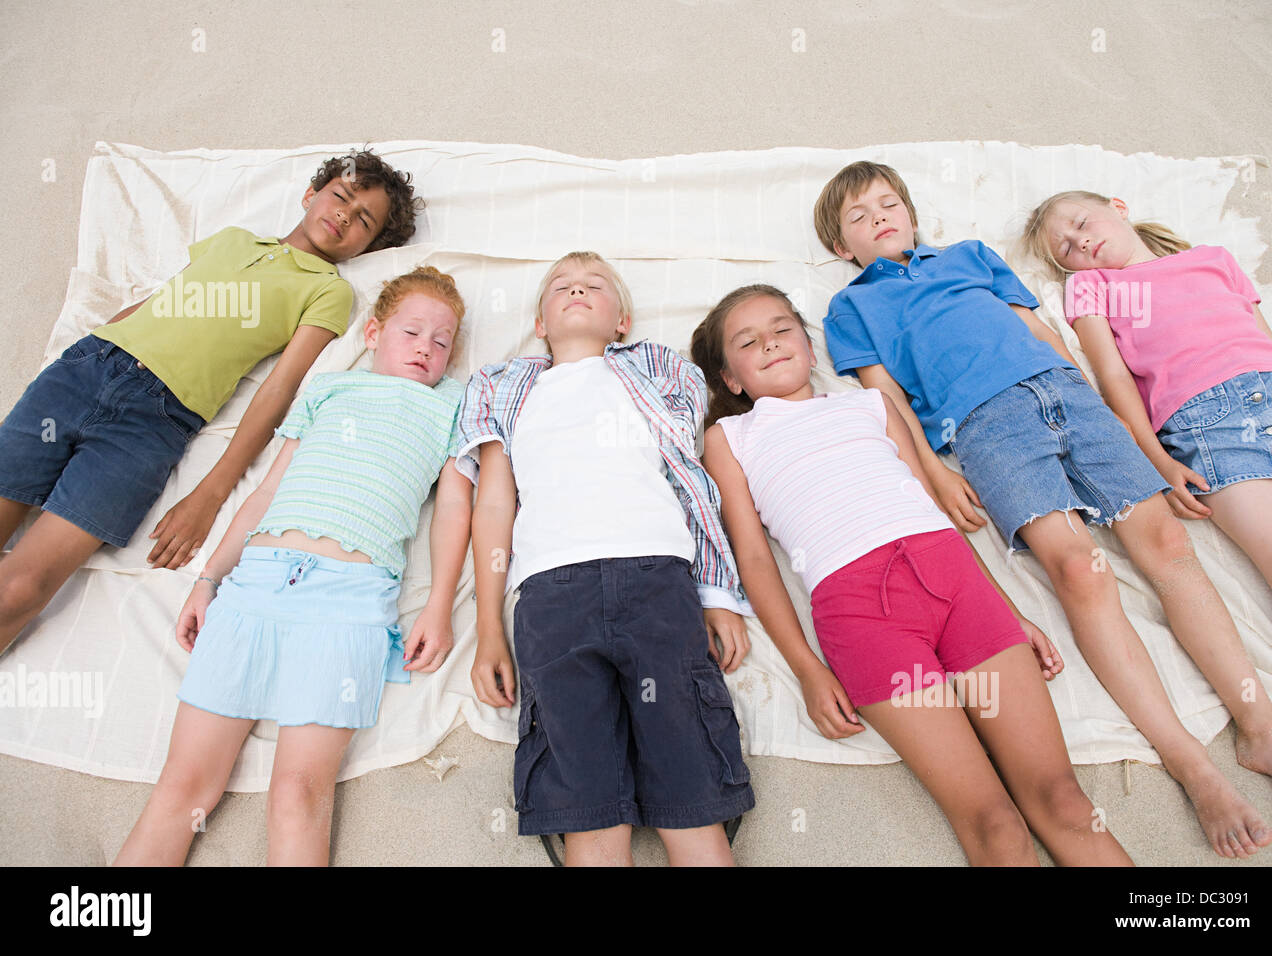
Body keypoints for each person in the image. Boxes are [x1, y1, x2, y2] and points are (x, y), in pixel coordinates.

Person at [811, 160, 1272, 858]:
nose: (880, 217)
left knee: (1168, 549)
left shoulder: (970, 257)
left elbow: (1042, 332)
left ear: (913, 215)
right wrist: (934, 477)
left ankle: (1263, 731)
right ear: (841, 247)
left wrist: (1103, 409)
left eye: (890, 203)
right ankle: (1191, 765)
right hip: (985, 425)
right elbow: (884, 399)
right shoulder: (851, 308)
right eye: (860, 216)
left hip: (1066, 392)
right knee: (1081, 572)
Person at [691, 283, 1132, 865]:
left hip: (955, 583)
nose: (771, 343)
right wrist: (808, 670)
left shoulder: (870, 403)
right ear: (732, 380)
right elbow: (752, 558)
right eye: (748, 342)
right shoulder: (730, 437)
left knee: (1064, 801)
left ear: (807, 340)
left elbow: (932, 505)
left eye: (781, 328)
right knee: (996, 825)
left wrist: (1010, 611)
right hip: (862, 615)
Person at [113, 266, 470, 866]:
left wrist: (439, 606)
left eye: (442, 341)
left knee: (299, 793)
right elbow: (263, 493)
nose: (426, 349)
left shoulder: (452, 403)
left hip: (350, 601)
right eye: (412, 332)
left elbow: (455, 506)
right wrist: (207, 579)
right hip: (257, 583)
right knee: (183, 789)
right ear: (373, 333)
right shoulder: (328, 390)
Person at [0, 148, 422, 654]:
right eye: (341, 197)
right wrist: (90, 344)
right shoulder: (233, 239)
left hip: (151, 424)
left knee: (20, 589)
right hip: (86, 370)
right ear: (311, 195)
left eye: (363, 221)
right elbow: (166, 297)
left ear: (367, 247)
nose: (344, 215)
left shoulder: (328, 291)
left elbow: (280, 388)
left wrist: (210, 493)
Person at [459, 251, 754, 866]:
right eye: (561, 287)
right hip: (551, 590)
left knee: (689, 775)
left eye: (595, 286)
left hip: (657, 576)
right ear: (539, 323)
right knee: (584, 798)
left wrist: (717, 594)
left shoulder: (655, 368)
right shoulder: (502, 383)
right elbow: (493, 502)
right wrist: (489, 627)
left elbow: (689, 478)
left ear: (621, 320)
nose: (577, 290)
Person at [1023, 189, 1272, 662]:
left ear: (1118, 206)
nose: (1080, 241)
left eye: (1082, 223)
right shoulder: (1095, 287)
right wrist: (1158, 460)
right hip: (1210, 424)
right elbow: (1113, 377)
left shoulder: (1213, 258)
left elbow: (1271, 343)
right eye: (1066, 248)